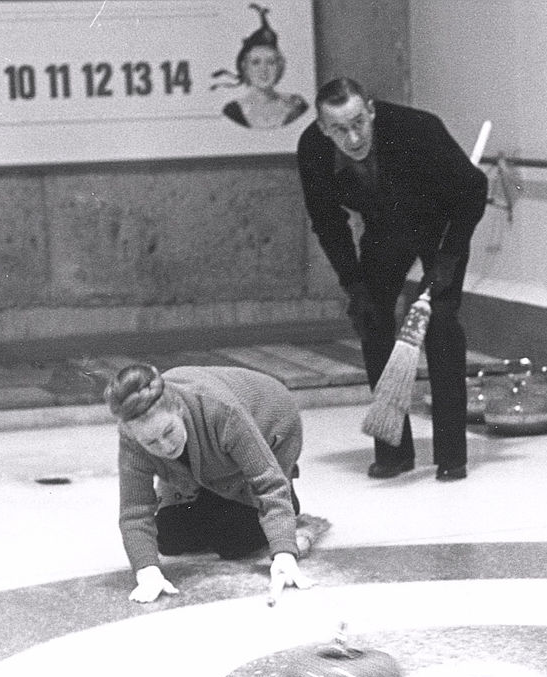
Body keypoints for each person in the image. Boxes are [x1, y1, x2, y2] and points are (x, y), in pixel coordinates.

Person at [296, 77, 488, 481]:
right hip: (386, 228)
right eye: (339, 129)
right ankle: (394, 451)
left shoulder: (418, 129)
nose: (352, 138)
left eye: (358, 123)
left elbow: (473, 190)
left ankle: (451, 455)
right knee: (373, 319)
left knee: (439, 321)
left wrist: (449, 259)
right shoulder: (313, 150)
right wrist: (354, 286)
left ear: (371, 109)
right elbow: (328, 223)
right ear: (322, 128)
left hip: (441, 224)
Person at [104, 362, 325, 604]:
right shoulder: (132, 436)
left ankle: (289, 506)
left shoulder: (222, 412)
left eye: (168, 432)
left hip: (270, 418)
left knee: (234, 542)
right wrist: (147, 572)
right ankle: (222, 499)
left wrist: (284, 552)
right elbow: (135, 511)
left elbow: (269, 485)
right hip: (209, 458)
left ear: (178, 408)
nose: (165, 447)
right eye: (152, 443)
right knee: (167, 537)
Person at [214, 4, 309, 129]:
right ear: (245, 66)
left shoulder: (296, 106)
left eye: (270, 62)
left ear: (280, 66)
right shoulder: (233, 111)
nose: (263, 70)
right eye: (255, 62)